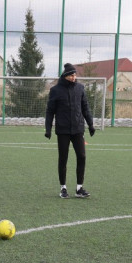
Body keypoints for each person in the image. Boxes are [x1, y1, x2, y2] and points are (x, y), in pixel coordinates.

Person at [45, 63, 95, 199]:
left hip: (78, 129)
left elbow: (85, 108)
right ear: (66, 76)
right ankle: (63, 188)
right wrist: (48, 128)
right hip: (63, 130)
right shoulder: (55, 90)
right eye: (72, 75)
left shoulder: (80, 88)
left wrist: (90, 124)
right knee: (63, 159)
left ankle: (79, 188)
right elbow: (50, 111)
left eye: (75, 75)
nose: (74, 77)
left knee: (82, 156)